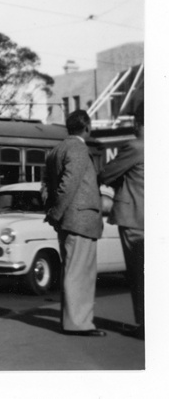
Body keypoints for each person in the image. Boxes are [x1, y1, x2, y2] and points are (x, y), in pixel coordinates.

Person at [44, 110, 105, 336]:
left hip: (68, 221)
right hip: (81, 220)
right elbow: (68, 185)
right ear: (87, 127)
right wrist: (58, 213)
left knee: (72, 270)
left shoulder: (56, 150)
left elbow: (46, 185)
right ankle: (78, 324)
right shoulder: (79, 149)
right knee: (81, 274)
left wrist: (52, 213)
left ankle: (73, 321)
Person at [98, 103, 144, 339]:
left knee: (139, 274)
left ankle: (144, 325)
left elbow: (107, 173)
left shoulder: (135, 146)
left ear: (137, 123)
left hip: (135, 218)